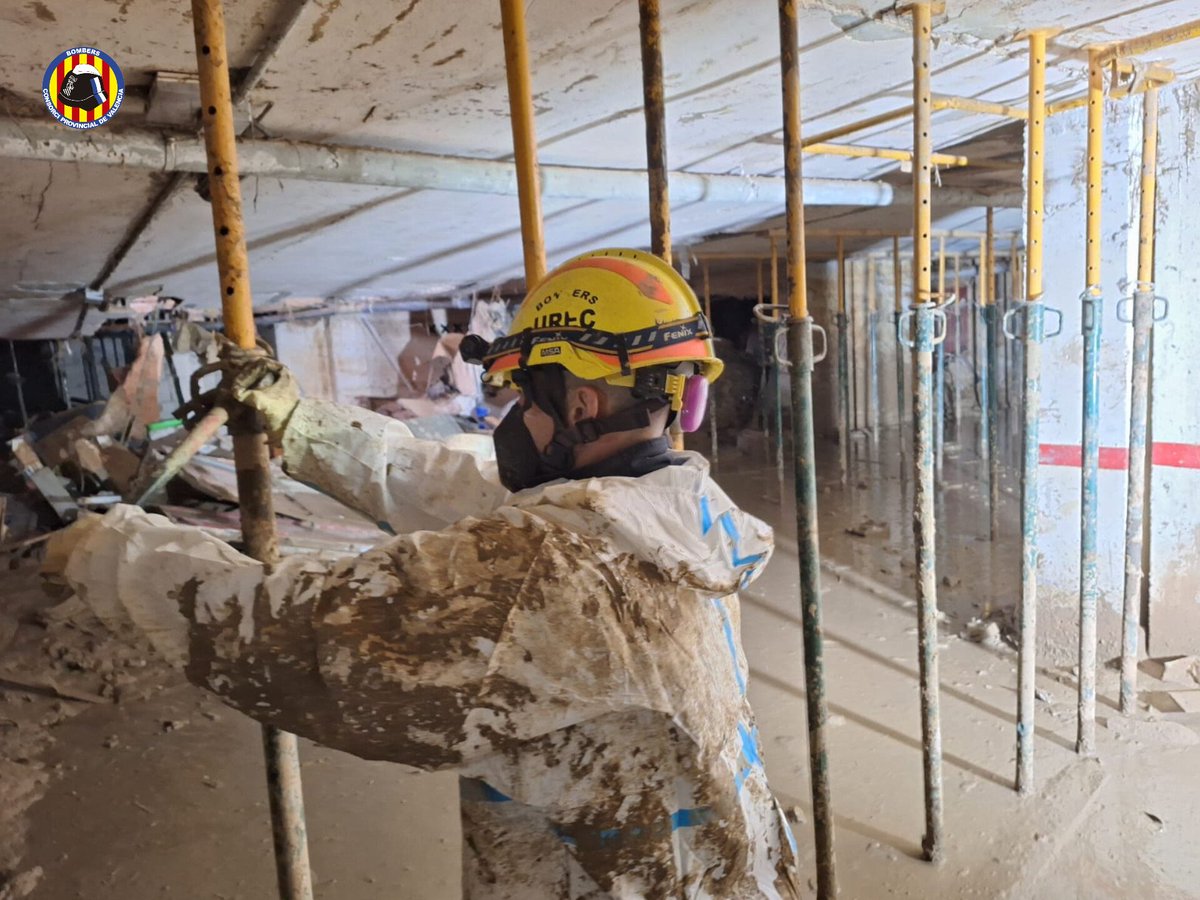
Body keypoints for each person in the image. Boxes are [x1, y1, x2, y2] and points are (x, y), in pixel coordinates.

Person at [46, 248, 801, 899]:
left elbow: (290, 638)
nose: (513, 420)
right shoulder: (680, 517)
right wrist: (299, 422)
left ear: (578, 400)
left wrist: (99, 549)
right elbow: (452, 486)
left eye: (521, 397)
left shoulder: (545, 571)